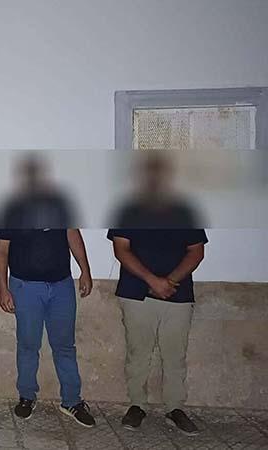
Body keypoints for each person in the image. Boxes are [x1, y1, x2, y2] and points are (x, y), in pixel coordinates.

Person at [0, 154, 96, 427]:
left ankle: (71, 400)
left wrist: (85, 270)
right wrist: (2, 288)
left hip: (61, 286)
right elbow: (0, 251)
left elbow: (73, 235)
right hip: (25, 288)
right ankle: (26, 396)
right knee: (28, 345)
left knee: (65, 346)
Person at [109, 153, 207, 436]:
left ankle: (175, 408)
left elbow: (196, 251)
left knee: (175, 356)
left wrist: (169, 282)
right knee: (138, 354)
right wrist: (152, 280)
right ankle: (136, 405)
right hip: (136, 293)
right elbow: (121, 249)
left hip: (178, 294)